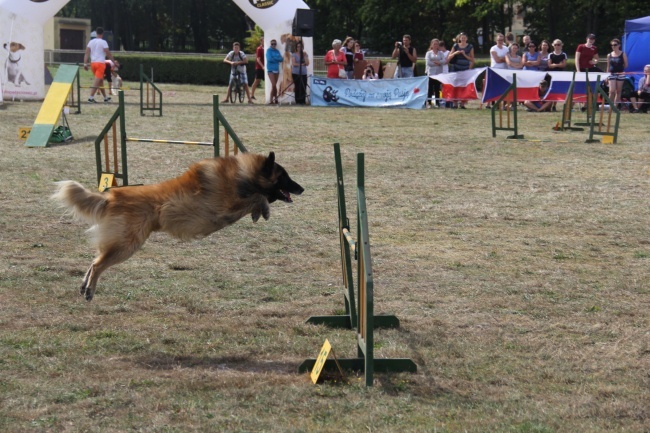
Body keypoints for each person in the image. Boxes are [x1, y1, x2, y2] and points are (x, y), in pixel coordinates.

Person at [83, 27, 116, 103]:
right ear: (102, 34)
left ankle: (105, 97)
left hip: (93, 64)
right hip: (100, 64)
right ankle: (90, 98)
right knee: (97, 81)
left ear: (96, 33)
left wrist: (85, 63)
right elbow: (108, 53)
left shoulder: (91, 42)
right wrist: (113, 62)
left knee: (100, 81)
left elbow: (87, 53)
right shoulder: (103, 42)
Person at [449, 32, 474, 108]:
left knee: (464, 86)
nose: (463, 39)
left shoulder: (470, 47)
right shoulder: (455, 46)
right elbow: (449, 56)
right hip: (455, 67)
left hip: (465, 68)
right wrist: (455, 53)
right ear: (459, 38)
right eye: (461, 38)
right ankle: (455, 103)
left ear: (467, 39)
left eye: (464, 38)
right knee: (455, 85)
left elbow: (472, 59)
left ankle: (462, 103)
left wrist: (464, 55)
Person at [606, 38, 628, 109]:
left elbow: (626, 64)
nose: (613, 46)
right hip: (612, 73)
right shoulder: (609, 55)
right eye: (612, 45)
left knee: (618, 91)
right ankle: (610, 106)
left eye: (615, 45)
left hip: (620, 73)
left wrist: (621, 69)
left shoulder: (623, 54)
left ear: (619, 45)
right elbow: (608, 66)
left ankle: (615, 107)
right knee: (611, 91)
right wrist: (606, 75)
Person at [425, 38, 445, 107]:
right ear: (432, 45)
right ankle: (429, 102)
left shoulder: (441, 53)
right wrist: (436, 63)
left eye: (437, 44)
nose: (436, 45)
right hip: (431, 73)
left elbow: (444, 61)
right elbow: (428, 62)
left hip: (438, 73)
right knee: (430, 88)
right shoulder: (429, 53)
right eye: (434, 44)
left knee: (437, 88)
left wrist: (439, 62)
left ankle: (437, 102)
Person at [291, 40, 309, 105]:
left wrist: (304, 57)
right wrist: (301, 64)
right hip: (296, 73)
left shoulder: (305, 54)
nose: (299, 48)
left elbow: (307, 63)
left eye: (300, 47)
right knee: (298, 86)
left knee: (303, 86)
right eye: (298, 47)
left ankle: (303, 100)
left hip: (303, 72)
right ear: (296, 47)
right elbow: (294, 63)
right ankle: (298, 100)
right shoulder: (294, 54)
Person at [265, 39, 283, 104]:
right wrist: (277, 59)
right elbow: (269, 59)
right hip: (270, 70)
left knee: (275, 85)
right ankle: (271, 99)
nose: (273, 45)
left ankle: (275, 99)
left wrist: (274, 58)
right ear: (270, 44)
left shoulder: (277, 51)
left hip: (276, 69)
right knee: (273, 85)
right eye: (272, 44)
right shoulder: (268, 51)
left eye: (274, 44)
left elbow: (281, 59)